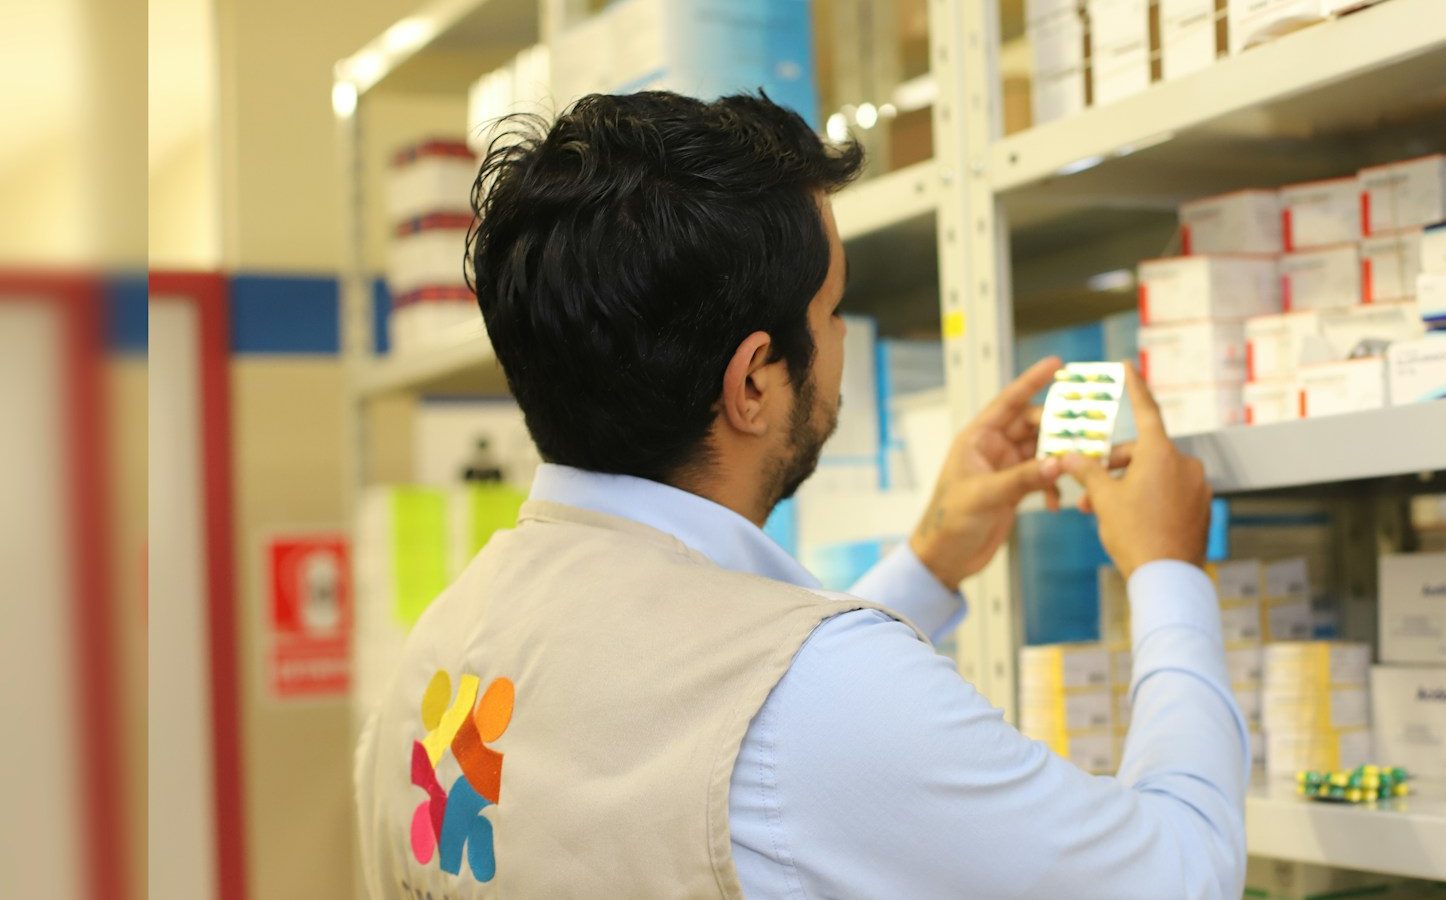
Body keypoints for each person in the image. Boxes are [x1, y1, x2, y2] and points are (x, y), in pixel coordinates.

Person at [355, 91, 1246, 899]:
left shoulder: (433, 656)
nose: (839, 344)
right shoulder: (825, 699)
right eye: (831, 312)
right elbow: (1181, 873)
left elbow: (708, 720)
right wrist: (1170, 571)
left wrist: (931, 561)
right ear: (753, 383)